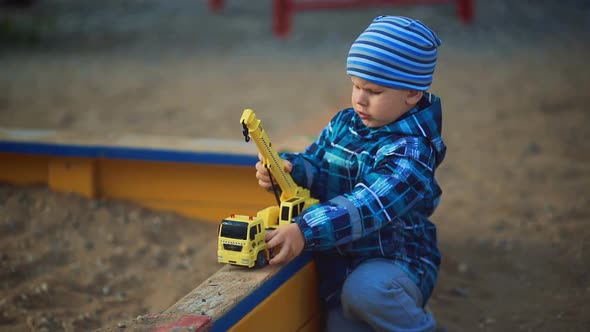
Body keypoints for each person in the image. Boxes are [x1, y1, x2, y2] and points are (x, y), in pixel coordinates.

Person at [256, 15, 445, 332]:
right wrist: (289, 169)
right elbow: (316, 164)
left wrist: (305, 229)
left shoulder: (412, 152)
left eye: (374, 91)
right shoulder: (345, 123)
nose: (359, 98)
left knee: (365, 293)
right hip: (342, 265)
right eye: (356, 85)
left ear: (412, 94)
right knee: (341, 321)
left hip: (396, 263)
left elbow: (367, 205)